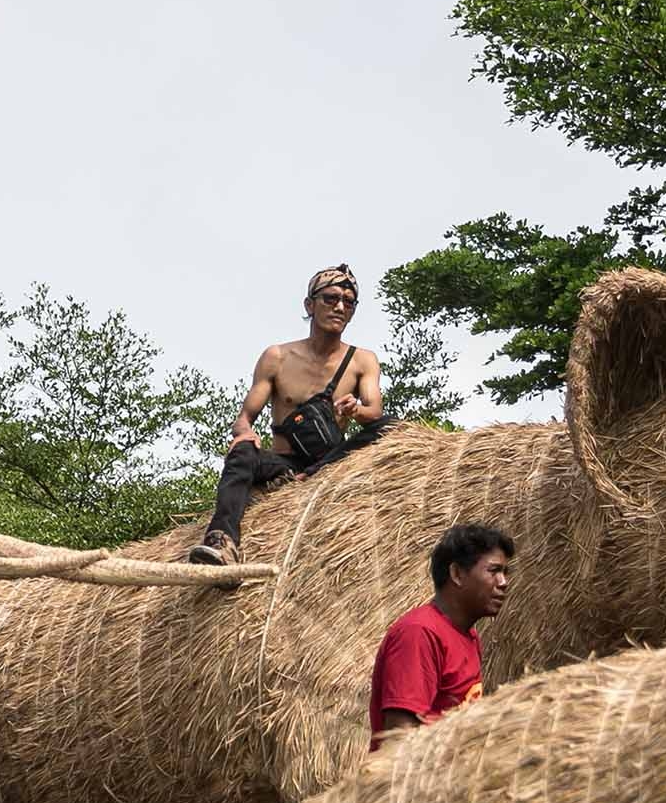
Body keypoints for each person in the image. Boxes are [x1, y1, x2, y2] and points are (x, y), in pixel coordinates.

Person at [188, 265, 387, 565]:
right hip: (284, 460)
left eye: (349, 302)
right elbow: (244, 418)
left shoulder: (362, 360)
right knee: (242, 452)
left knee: (390, 427)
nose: (340, 307)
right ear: (310, 304)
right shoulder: (277, 357)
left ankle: (311, 474)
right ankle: (222, 540)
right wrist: (244, 432)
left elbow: (375, 411)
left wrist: (356, 410)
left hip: (331, 461)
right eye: (331, 298)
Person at [369, 525, 514, 749]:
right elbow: (398, 740)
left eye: (505, 573)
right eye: (493, 571)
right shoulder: (419, 633)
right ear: (456, 574)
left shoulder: (469, 636)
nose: (503, 582)